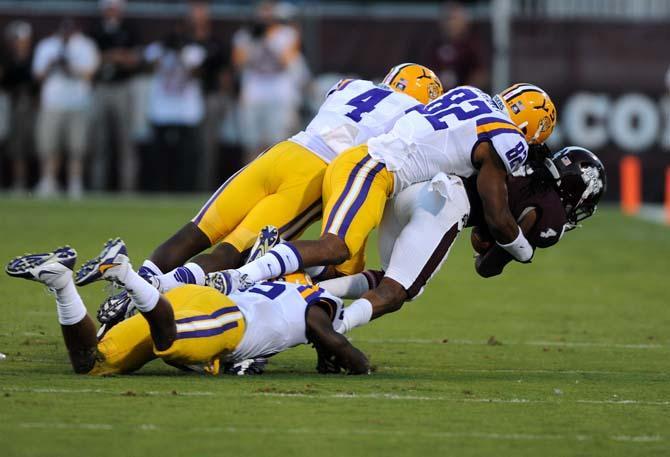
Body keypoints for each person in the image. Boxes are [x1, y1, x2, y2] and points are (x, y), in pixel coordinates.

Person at [95, 63, 442, 330]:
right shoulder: (415, 115)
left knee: (197, 230)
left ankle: (134, 286)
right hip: (316, 174)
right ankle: (146, 298)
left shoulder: (351, 85)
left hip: (284, 152)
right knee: (232, 252)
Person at [221, 83, 557, 302]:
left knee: (350, 270)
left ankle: (287, 290)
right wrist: (523, 250)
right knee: (336, 247)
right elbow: (497, 216)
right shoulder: (508, 136)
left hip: (373, 172)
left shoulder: (468, 94)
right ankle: (247, 274)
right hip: (374, 170)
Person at [316, 146, 607, 334]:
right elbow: (487, 266)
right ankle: (332, 328)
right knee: (398, 290)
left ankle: (313, 290)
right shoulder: (550, 213)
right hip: (445, 202)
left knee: (392, 279)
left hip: (407, 191)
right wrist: (521, 251)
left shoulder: (524, 152)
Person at [5, 238, 370, 376]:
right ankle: (127, 275)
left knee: (91, 362)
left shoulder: (269, 279)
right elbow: (327, 335)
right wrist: (360, 364)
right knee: (172, 340)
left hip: (198, 300)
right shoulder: (317, 297)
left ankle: (60, 282)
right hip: (227, 321)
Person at [32, 19, 100, 199]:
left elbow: (90, 73)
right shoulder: (47, 46)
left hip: (77, 103)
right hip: (53, 103)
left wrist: (71, 68)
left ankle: (75, 183)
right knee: (49, 146)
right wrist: (51, 65)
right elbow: (37, 75)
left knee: (76, 147)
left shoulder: (86, 46)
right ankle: (48, 181)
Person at [233, 0, 307, 163]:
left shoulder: (287, 34)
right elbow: (238, 62)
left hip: (278, 92)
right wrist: (254, 41)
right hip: (254, 91)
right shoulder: (245, 36)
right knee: (251, 142)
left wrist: (270, 39)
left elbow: (288, 60)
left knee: (277, 142)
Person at [144, 24, 206, 192]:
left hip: (186, 111)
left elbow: (197, 71)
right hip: (162, 110)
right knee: (160, 154)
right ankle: (159, 187)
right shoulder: (158, 50)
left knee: (186, 154)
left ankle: (184, 188)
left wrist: (181, 54)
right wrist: (165, 52)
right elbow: (147, 63)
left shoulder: (193, 52)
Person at [89, 0, 141, 192]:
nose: (112, 12)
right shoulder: (95, 31)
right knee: (99, 141)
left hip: (122, 87)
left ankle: (128, 189)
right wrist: (114, 55)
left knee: (126, 142)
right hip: (101, 87)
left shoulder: (130, 30)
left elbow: (135, 60)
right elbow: (89, 59)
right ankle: (97, 188)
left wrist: (114, 57)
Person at [188, 0, 234, 191]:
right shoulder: (183, 39)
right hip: (185, 98)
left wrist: (225, 98)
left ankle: (204, 186)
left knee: (208, 145)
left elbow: (225, 74)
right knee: (190, 143)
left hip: (209, 96)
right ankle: (186, 183)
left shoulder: (216, 42)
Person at [0, 20, 36, 194]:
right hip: (14, 106)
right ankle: (19, 183)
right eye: (16, 40)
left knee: (36, 145)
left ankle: (38, 182)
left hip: (33, 106)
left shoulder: (34, 58)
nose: (19, 43)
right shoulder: (8, 61)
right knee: (16, 147)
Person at [429, 2, 487, 90]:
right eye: (447, 19)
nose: (450, 24)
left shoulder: (472, 45)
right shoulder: (436, 44)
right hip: (438, 94)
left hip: (462, 96)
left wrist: (467, 91)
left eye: (454, 19)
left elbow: (480, 74)